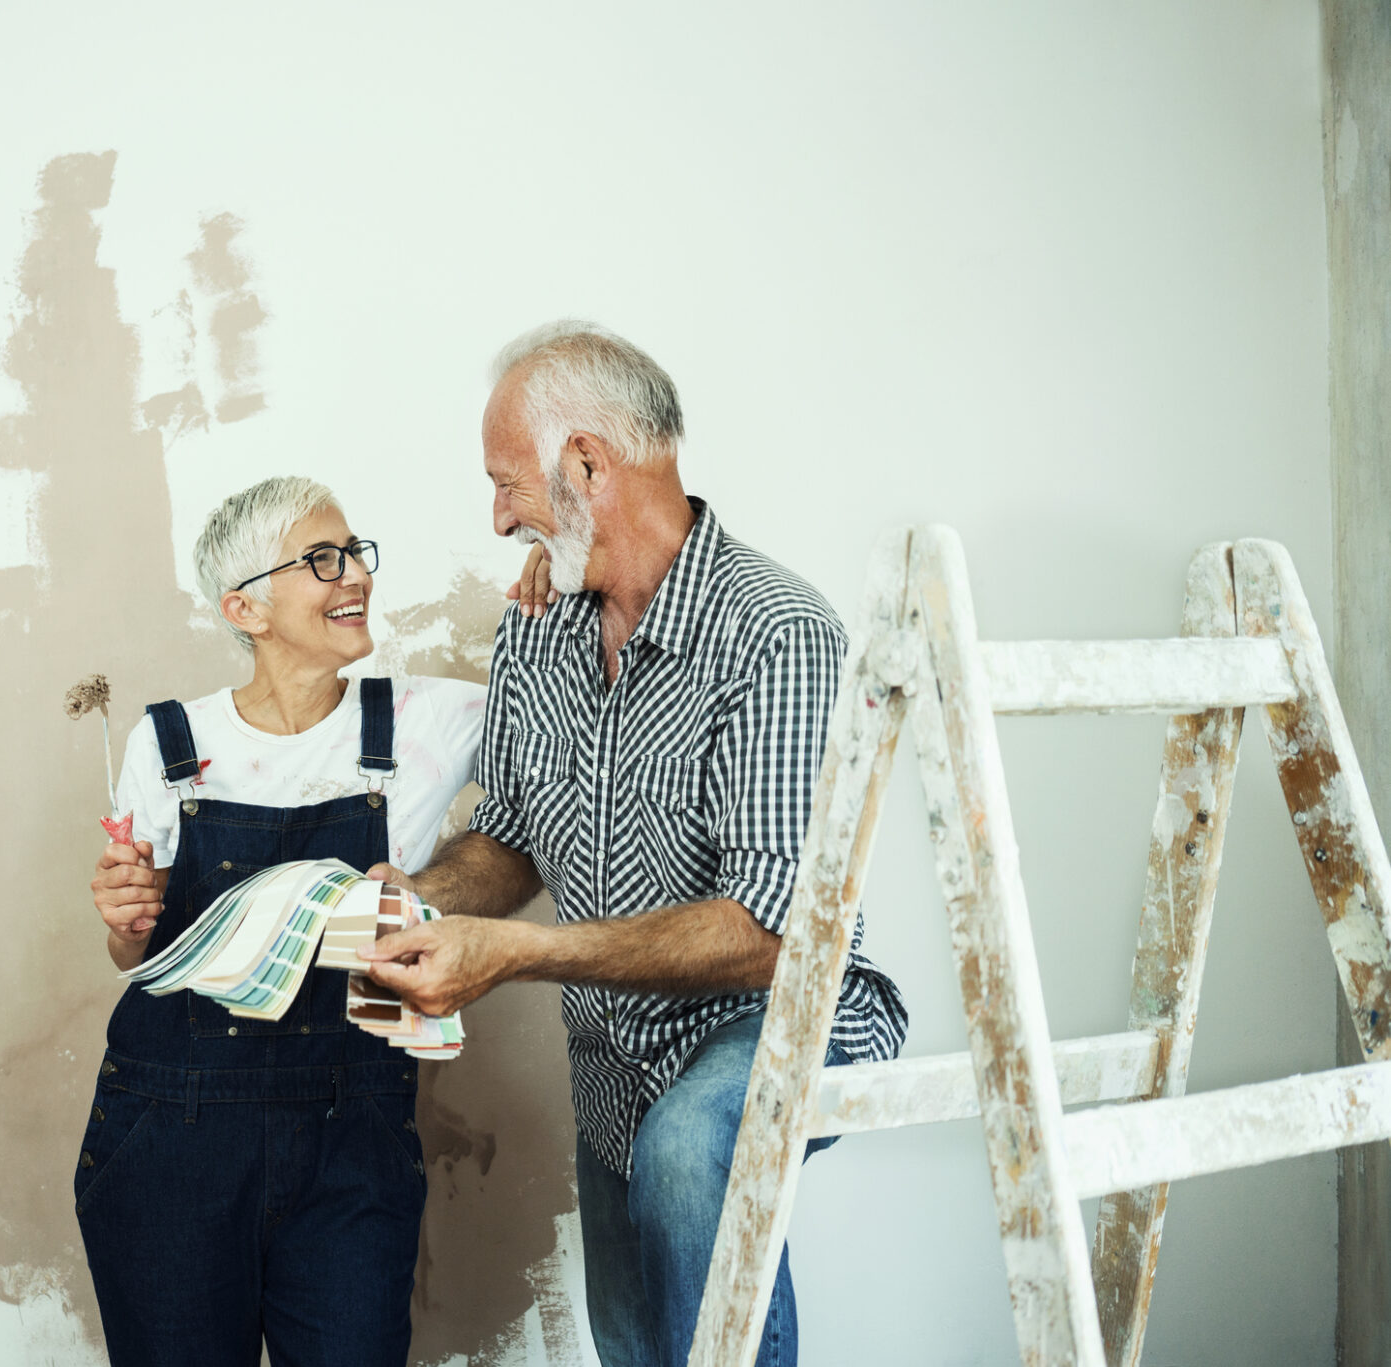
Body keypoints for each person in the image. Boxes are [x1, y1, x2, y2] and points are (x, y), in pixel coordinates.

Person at [358, 322, 909, 1367]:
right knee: (640, 1348)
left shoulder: (778, 631)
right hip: (614, 1056)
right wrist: (423, 896)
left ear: (585, 464)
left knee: (689, 1150)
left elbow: (769, 931)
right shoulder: (538, 627)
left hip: (768, 1020)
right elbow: (512, 837)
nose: (496, 515)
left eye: (504, 482)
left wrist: (515, 954)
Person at [78, 475, 516, 1367]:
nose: (354, 574)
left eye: (356, 552)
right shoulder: (168, 746)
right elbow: (139, 948)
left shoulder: (431, 720)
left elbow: (563, 705)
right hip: (170, 1134)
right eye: (322, 559)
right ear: (246, 607)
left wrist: (551, 571)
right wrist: (125, 917)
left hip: (351, 1135)